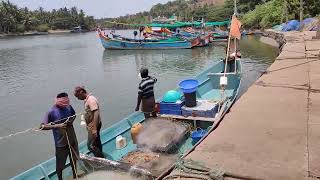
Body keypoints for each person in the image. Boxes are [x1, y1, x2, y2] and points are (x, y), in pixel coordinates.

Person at [40, 92, 79, 180]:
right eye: (63, 104)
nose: (65, 105)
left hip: (72, 139)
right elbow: (42, 126)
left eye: (67, 103)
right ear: (58, 102)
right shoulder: (51, 112)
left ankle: (75, 176)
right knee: (60, 165)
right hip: (61, 143)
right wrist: (57, 125)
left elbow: (74, 115)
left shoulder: (69, 107)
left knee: (74, 159)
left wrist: (71, 121)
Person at [74, 87, 104, 158]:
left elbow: (96, 113)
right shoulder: (88, 100)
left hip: (93, 125)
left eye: (78, 96)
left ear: (81, 92)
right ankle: (101, 157)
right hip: (93, 125)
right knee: (97, 142)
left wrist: (94, 128)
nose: (78, 98)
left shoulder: (91, 100)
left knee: (90, 145)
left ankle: (101, 160)